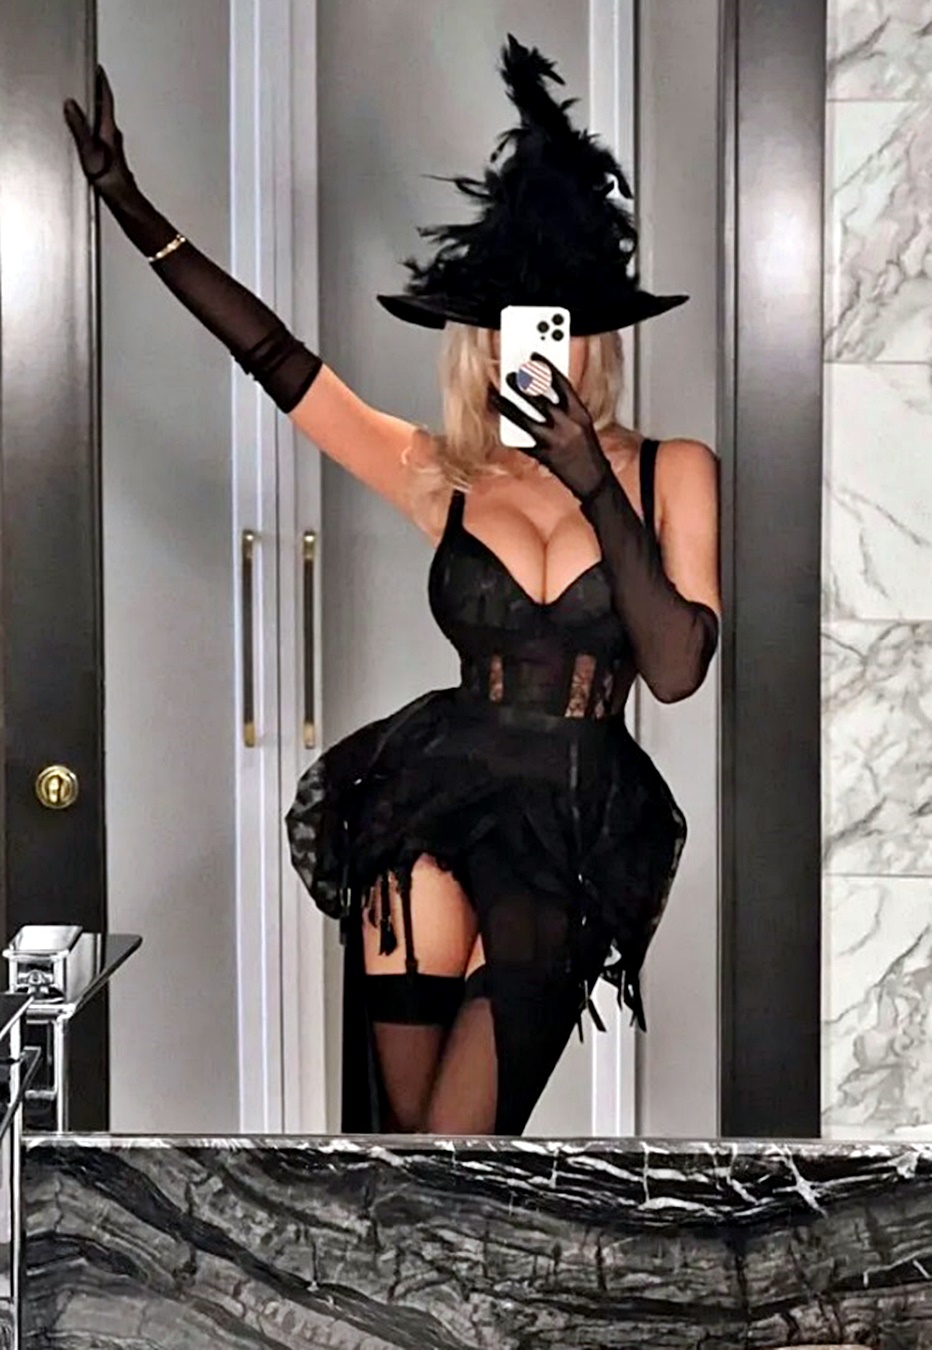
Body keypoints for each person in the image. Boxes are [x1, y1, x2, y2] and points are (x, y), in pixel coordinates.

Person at [65, 35, 720, 1136]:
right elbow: (279, 362)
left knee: (460, 1148)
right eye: (502, 329)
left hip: (571, 825)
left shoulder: (673, 472)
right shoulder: (440, 472)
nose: (529, 352)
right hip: (429, 799)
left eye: (553, 330)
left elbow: (675, 668)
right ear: (478, 346)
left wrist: (592, 483)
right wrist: (135, 211)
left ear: (594, 342)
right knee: (396, 1155)